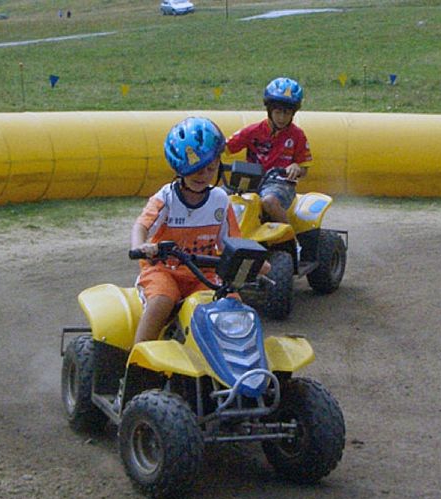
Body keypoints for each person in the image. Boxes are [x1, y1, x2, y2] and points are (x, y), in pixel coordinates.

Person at [131, 117, 241, 344]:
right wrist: (141, 245)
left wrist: (257, 263)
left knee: (232, 304)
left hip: (205, 275)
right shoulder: (167, 197)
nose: (204, 176)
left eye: (210, 168)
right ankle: (138, 364)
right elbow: (142, 225)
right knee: (162, 300)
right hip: (164, 270)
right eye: (196, 171)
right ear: (181, 169)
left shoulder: (220, 200)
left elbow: (233, 242)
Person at [226, 77, 312, 224]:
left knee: (269, 201)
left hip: (280, 184)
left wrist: (296, 167)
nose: (282, 118)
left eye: (287, 113)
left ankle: (292, 242)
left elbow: (304, 169)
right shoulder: (253, 131)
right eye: (278, 112)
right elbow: (225, 147)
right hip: (250, 180)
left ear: (293, 113)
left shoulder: (297, 135)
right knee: (217, 196)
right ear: (269, 110)